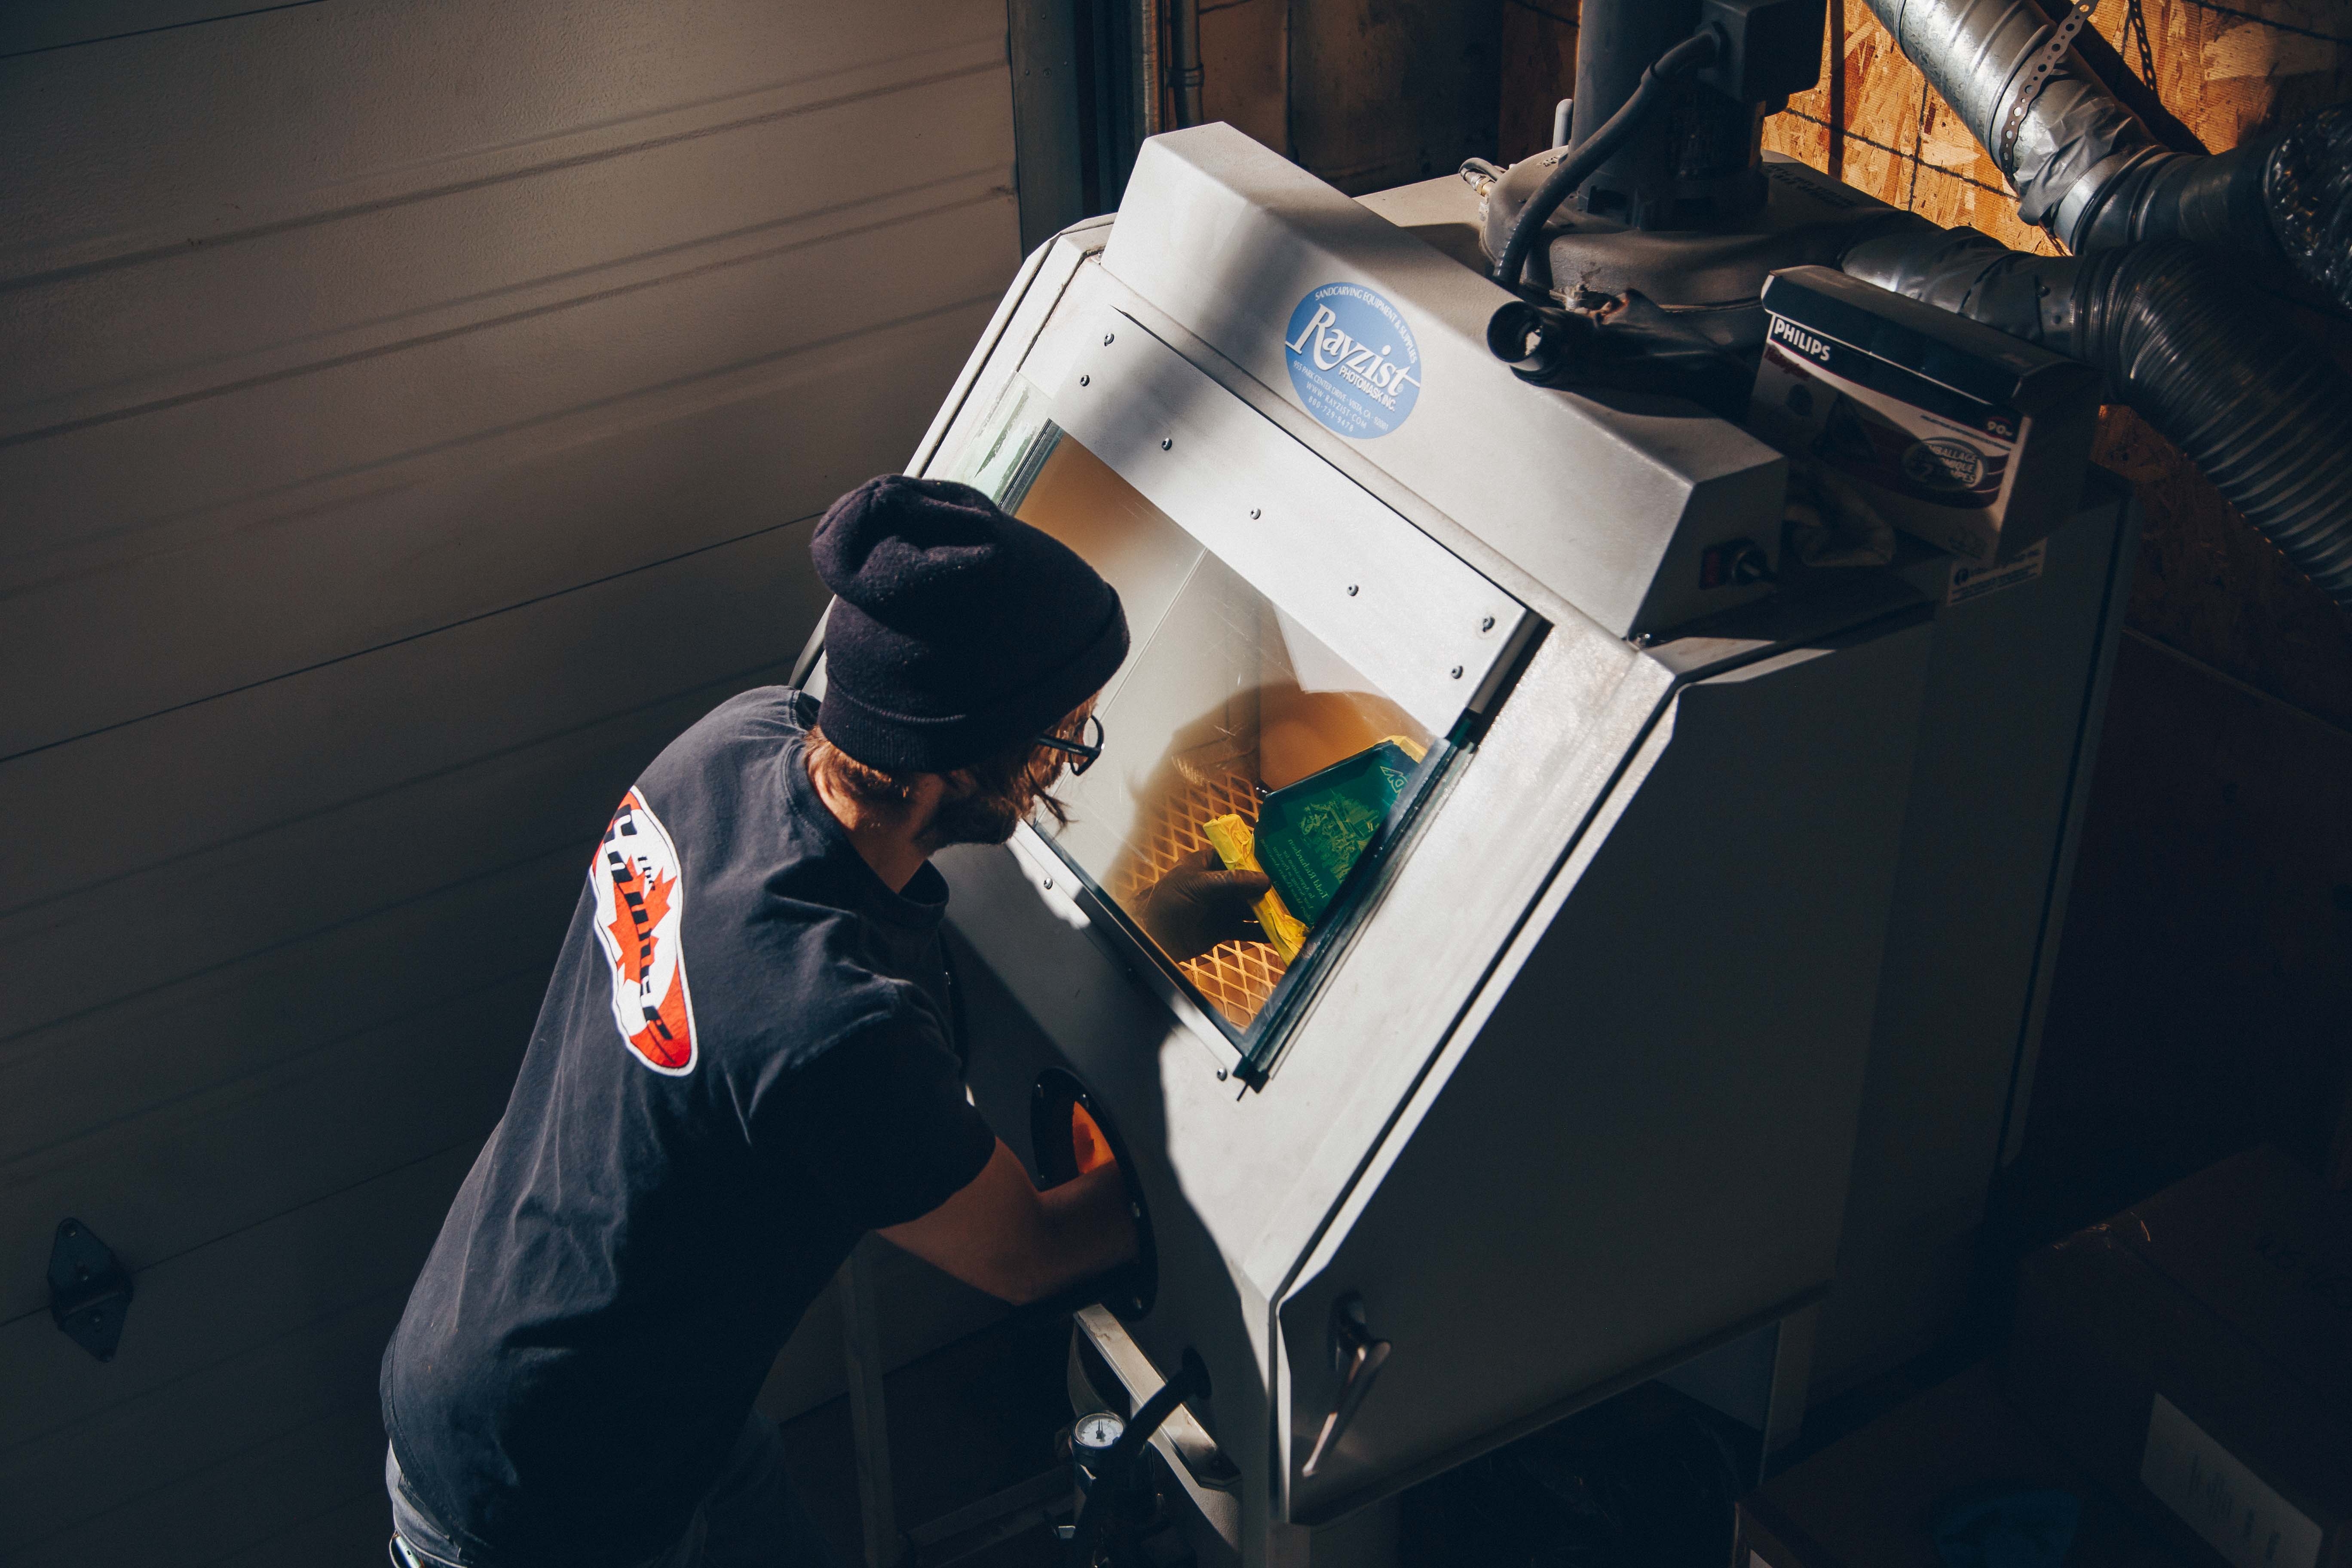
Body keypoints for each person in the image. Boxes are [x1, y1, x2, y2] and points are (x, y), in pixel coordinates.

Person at [379, 475, 1267, 1568]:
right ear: (957, 765)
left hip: (562, 1341)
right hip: (549, 1490)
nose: (1062, 764)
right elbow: (1030, 1254)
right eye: (1060, 743)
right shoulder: (834, 1023)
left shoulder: (733, 743)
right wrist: (1257, 1174)